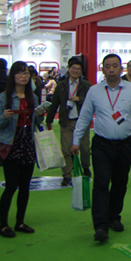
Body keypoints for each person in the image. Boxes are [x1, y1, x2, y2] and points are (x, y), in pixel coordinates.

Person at [72, 54, 131, 243]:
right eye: (108, 66)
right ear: (103, 69)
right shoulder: (94, 91)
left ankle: (114, 217)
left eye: (115, 66)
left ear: (121, 69)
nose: (111, 69)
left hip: (126, 144)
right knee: (101, 183)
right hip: (102, 145)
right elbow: (85, 117)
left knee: (120, 183)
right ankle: (100, 225)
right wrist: (76, 140)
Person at [0, 61, 47, 238]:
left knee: (25, 186)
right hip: (10, 144)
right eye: (19, 73)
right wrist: (5, 117)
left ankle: (20, 222)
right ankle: (3, 225)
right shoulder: (3, 98)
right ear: (13, 75)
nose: (23, 76)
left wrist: (40, 114)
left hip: (27, 144)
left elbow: (36, 123)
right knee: (11, 186)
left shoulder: (33, 98)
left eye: (26, 73)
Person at [46, 57, 92, 187]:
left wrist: (79, 99)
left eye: (78, 69)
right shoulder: (61, 85)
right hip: (66, 122)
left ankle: (85, 167)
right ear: (68, 69)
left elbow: (92, 102)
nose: (75, 71)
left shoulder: (86, 85)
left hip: (81, 122)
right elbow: (55, 103)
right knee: (66, 150)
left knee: (85, 148)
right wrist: (49, 119)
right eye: (73, 68)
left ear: (81, 71)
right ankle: (67, 175)